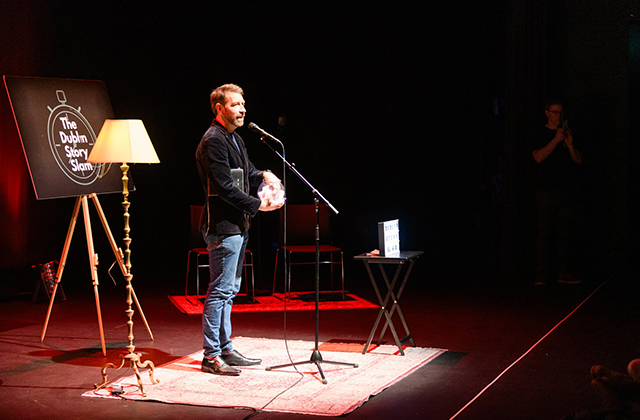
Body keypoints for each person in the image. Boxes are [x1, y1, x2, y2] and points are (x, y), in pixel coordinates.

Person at [195, 83, 283, 375]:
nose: (242, 109)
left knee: (230, 291)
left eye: (243, 104)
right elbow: (224, 187)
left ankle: (226, 349)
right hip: (223, 226)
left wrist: (264, 173)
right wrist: (259, 206)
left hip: (237, 225)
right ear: (220, 108)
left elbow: (245, 171)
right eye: (235, 105)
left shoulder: (234, 138)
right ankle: (210, 356)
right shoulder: (213, 140)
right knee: (219, 291)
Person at [532, 99, 582, 286]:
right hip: (545, 191)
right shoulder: (541, 132)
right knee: (544, 234)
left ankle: (563, 272)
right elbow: (537, 157)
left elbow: (578, 160)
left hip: (565, 192)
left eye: (560, 113)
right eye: (554, 112)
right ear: (547, 113)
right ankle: (541, 274)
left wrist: (569, 144)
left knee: (565, 235)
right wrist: (555, 140)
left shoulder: (568, 134)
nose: (558, 116)